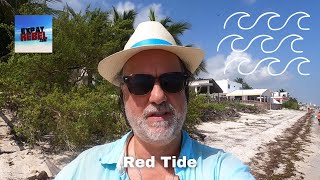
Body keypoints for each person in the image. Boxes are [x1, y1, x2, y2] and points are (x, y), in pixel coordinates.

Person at [55, 21, 255, 180]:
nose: (158, 96)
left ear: (185, 89)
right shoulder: (86, 168)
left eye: (172, 81)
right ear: (124, 93)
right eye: (140, 83)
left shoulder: (222, 169)